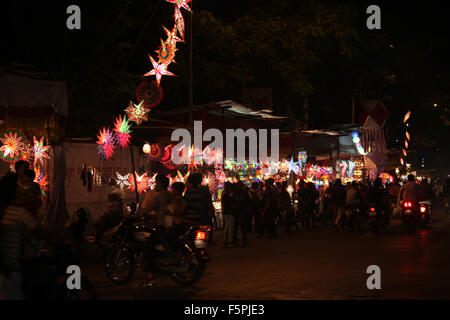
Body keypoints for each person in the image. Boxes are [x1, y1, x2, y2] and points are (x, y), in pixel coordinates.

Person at [0, 174, 60, 299]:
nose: (20, 189)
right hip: (12, 271)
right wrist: (57, 242)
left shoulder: (6, 211)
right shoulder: (17, 213)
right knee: (47, 276)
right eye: (18, 186)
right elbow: (38, 231)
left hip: (7, 269)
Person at [221, 182, 235, 248]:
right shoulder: (227, 195)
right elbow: (230, 204)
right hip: (229, 212)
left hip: (225, 212)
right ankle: (230, 241)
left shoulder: (223, 193)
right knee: (230, 227)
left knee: (226, 227)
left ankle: (225, 240)